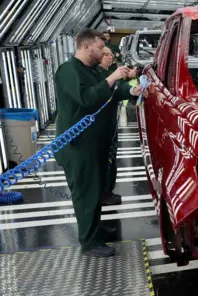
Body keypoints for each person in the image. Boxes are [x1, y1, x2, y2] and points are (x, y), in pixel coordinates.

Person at [54, 28, 142, 257]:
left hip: (95, 144)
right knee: (85, 193)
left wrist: (133, 90)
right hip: (78, 146)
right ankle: (89, 242)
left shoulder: (92, 71)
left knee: (95, 191)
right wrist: (112, 77)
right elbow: (87, 98)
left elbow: (111, 92)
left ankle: (95, 229)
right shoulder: (69, 71)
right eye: (100, 47)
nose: (104, 51)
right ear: (85, 46)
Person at [98, 46, 137, 206]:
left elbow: (120, 89)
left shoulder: (108, 74)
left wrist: (133, 90)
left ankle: (107, 191)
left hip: (110, 125)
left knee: (111, 158)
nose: (110, 57)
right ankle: (102, 193)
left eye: (110, 55)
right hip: (100, 126)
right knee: (104, 160)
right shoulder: (99, 75)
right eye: (105, 55)